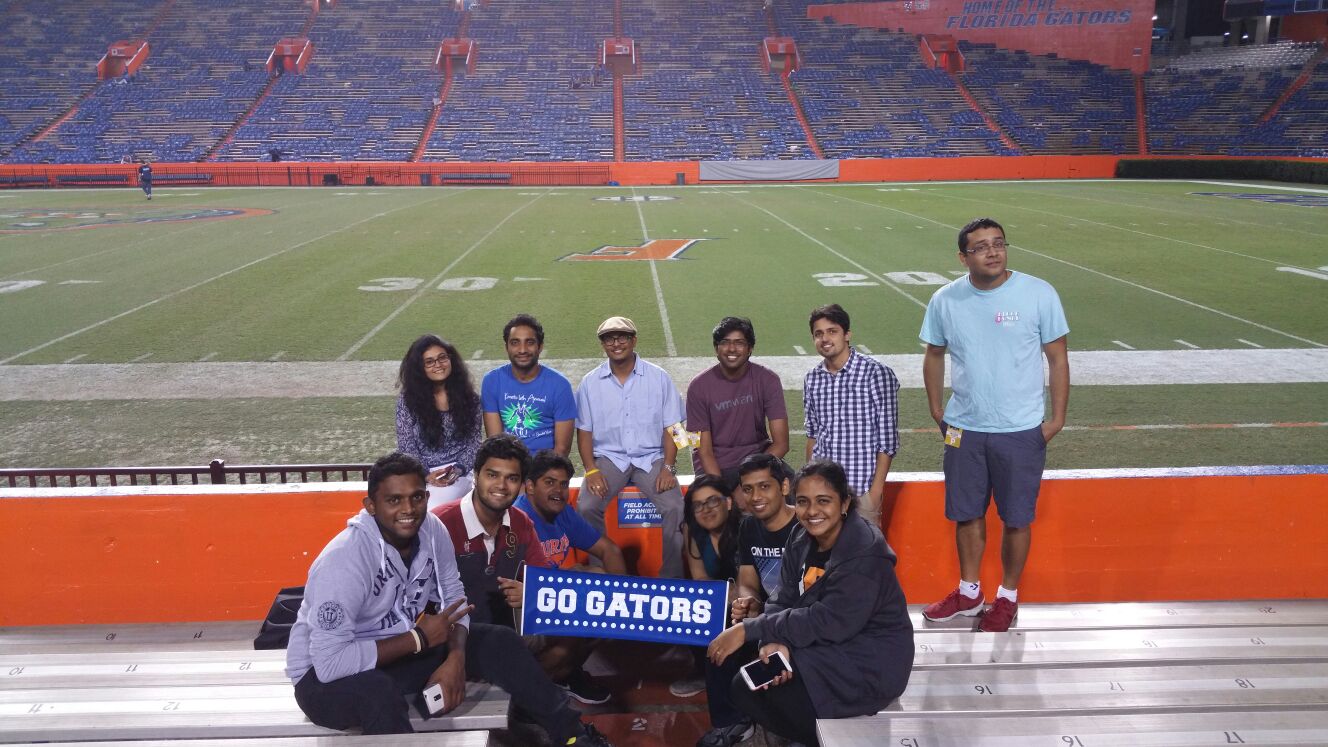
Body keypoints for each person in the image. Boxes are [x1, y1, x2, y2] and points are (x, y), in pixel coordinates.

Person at [285, 452, 611, 745]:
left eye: (416, 498)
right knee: (378, 695)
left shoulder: (432, 529)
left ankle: (572, 735)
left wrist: (455, 658)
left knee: (498, 640)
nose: (408, 510)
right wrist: (419, 639)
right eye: (394, 500)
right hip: (323, 682)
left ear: (427, 496)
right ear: (370, 506)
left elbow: (455, 600)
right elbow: (330, 665)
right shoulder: (343, 560)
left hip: (394, 653)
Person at [919, 217, 1070, 633]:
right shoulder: (946, 299)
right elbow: (934, 354)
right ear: (963, 257)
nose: (993, 252)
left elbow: (1058, 357)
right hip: (964, 428)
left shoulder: (1038, 293)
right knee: (966, 514)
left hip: (1020, 430)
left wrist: (1055, 420)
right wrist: (937, 409)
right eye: (981, 246)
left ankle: (1008, 597)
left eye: (999, 243)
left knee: (1017, 518)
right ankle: (969, 594)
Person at [707, 461, 914, 747]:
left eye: (823, 501)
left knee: (759, 690)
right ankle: (809, 733)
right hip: (828, 645)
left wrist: (750, 629)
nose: (812, 511)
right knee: (745, 687)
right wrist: (771, 639)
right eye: (803, 502)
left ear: (845, 503)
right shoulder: (801, 535)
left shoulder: (865, 553)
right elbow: (785, 595)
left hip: (870, 660)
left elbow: (829, 621)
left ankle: (829, 739)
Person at [575, 316, 686, 578]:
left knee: (674, 506)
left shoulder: (659, 377)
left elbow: (674, 428)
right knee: (586, 506)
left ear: (634, 340)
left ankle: (671, 578)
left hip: (652, 458)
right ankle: (601, 572)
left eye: (622, 337)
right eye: (609, 338)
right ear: (602, 344)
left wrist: (668, 467)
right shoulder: (590, 383)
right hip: (609, 458)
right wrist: (591, 470)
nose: (616, 343)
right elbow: (584, 432)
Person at [515, 449, 626, 704]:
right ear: (530, 487)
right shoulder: (517, 519)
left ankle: (565, 675)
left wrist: (624, 603)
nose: (559, 490)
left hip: (553, 596)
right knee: (580, 621)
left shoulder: (562, 511)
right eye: (550, 483)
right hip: (522, 609)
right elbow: (522, 589)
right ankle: (524, 695)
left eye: (563, 484)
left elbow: (609, 550)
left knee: (600, 582)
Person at [433, 434, 549, 631]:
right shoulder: (438, 524)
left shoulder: (522, 523)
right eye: (492, 475)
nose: (501, 486)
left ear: (521, 485)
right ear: (476, 475)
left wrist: (531, 593)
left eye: (511, 478)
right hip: (451, 638)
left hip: (505, 635)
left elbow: (545, 582)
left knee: (579, 631)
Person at [801, 304, 899, 529]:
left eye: (832, 331)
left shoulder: (876, 374)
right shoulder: (812, 379)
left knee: (863, 560)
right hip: (824, 492)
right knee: (825, 559)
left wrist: (874, 493)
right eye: (818, 334)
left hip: (861, 490)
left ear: (847, 335)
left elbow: (888, 442)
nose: (825, 338)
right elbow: (813, 435)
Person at [686, 317, 789, 510]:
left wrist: (747, 486)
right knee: (710, 511)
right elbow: (702, 450)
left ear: (750, 348)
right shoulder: (697, 387)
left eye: (739, 343)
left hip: (757, 460)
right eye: (725, 342)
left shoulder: (768, 380)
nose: (732, 349)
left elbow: (781, 444)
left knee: (791, 494)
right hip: (715, 466)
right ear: (716, 348)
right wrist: (724, 494)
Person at [396, 334, 483, 510]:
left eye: (442, 358)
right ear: (420, 368)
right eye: (429, 361)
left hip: (457, 473)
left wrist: (457, 470)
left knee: (431, 509)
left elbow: (474, 443)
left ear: (451, 360)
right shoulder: (408, 401)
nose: (438, 365)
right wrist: (426, 474)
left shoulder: (470, 399)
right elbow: (406, 445)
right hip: (418, 472)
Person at [482, 314, 577, 456]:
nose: (522, 350)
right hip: (508, 465)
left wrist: (535, 477)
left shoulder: (560, 385)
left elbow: (561, 450)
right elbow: (496, 444)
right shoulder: (492, 381)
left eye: (530, 342)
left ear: (540, 347)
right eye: (515, 342)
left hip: (545, 468)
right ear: (506, 347)